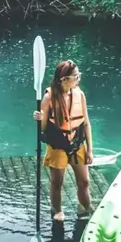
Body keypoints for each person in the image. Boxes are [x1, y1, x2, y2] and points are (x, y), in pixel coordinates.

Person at [33, 60, 94, 222]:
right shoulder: (49, 98)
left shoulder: (79, 95)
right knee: (57, 182)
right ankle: (57, 210)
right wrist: (39, 119)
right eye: (76, 76)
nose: (78, 78)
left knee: (84, 181)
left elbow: (86, 123)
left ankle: (84, 206)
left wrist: (90, 149)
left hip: (77, 143)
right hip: (58, 145)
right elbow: (43, 128)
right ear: (64, 79)